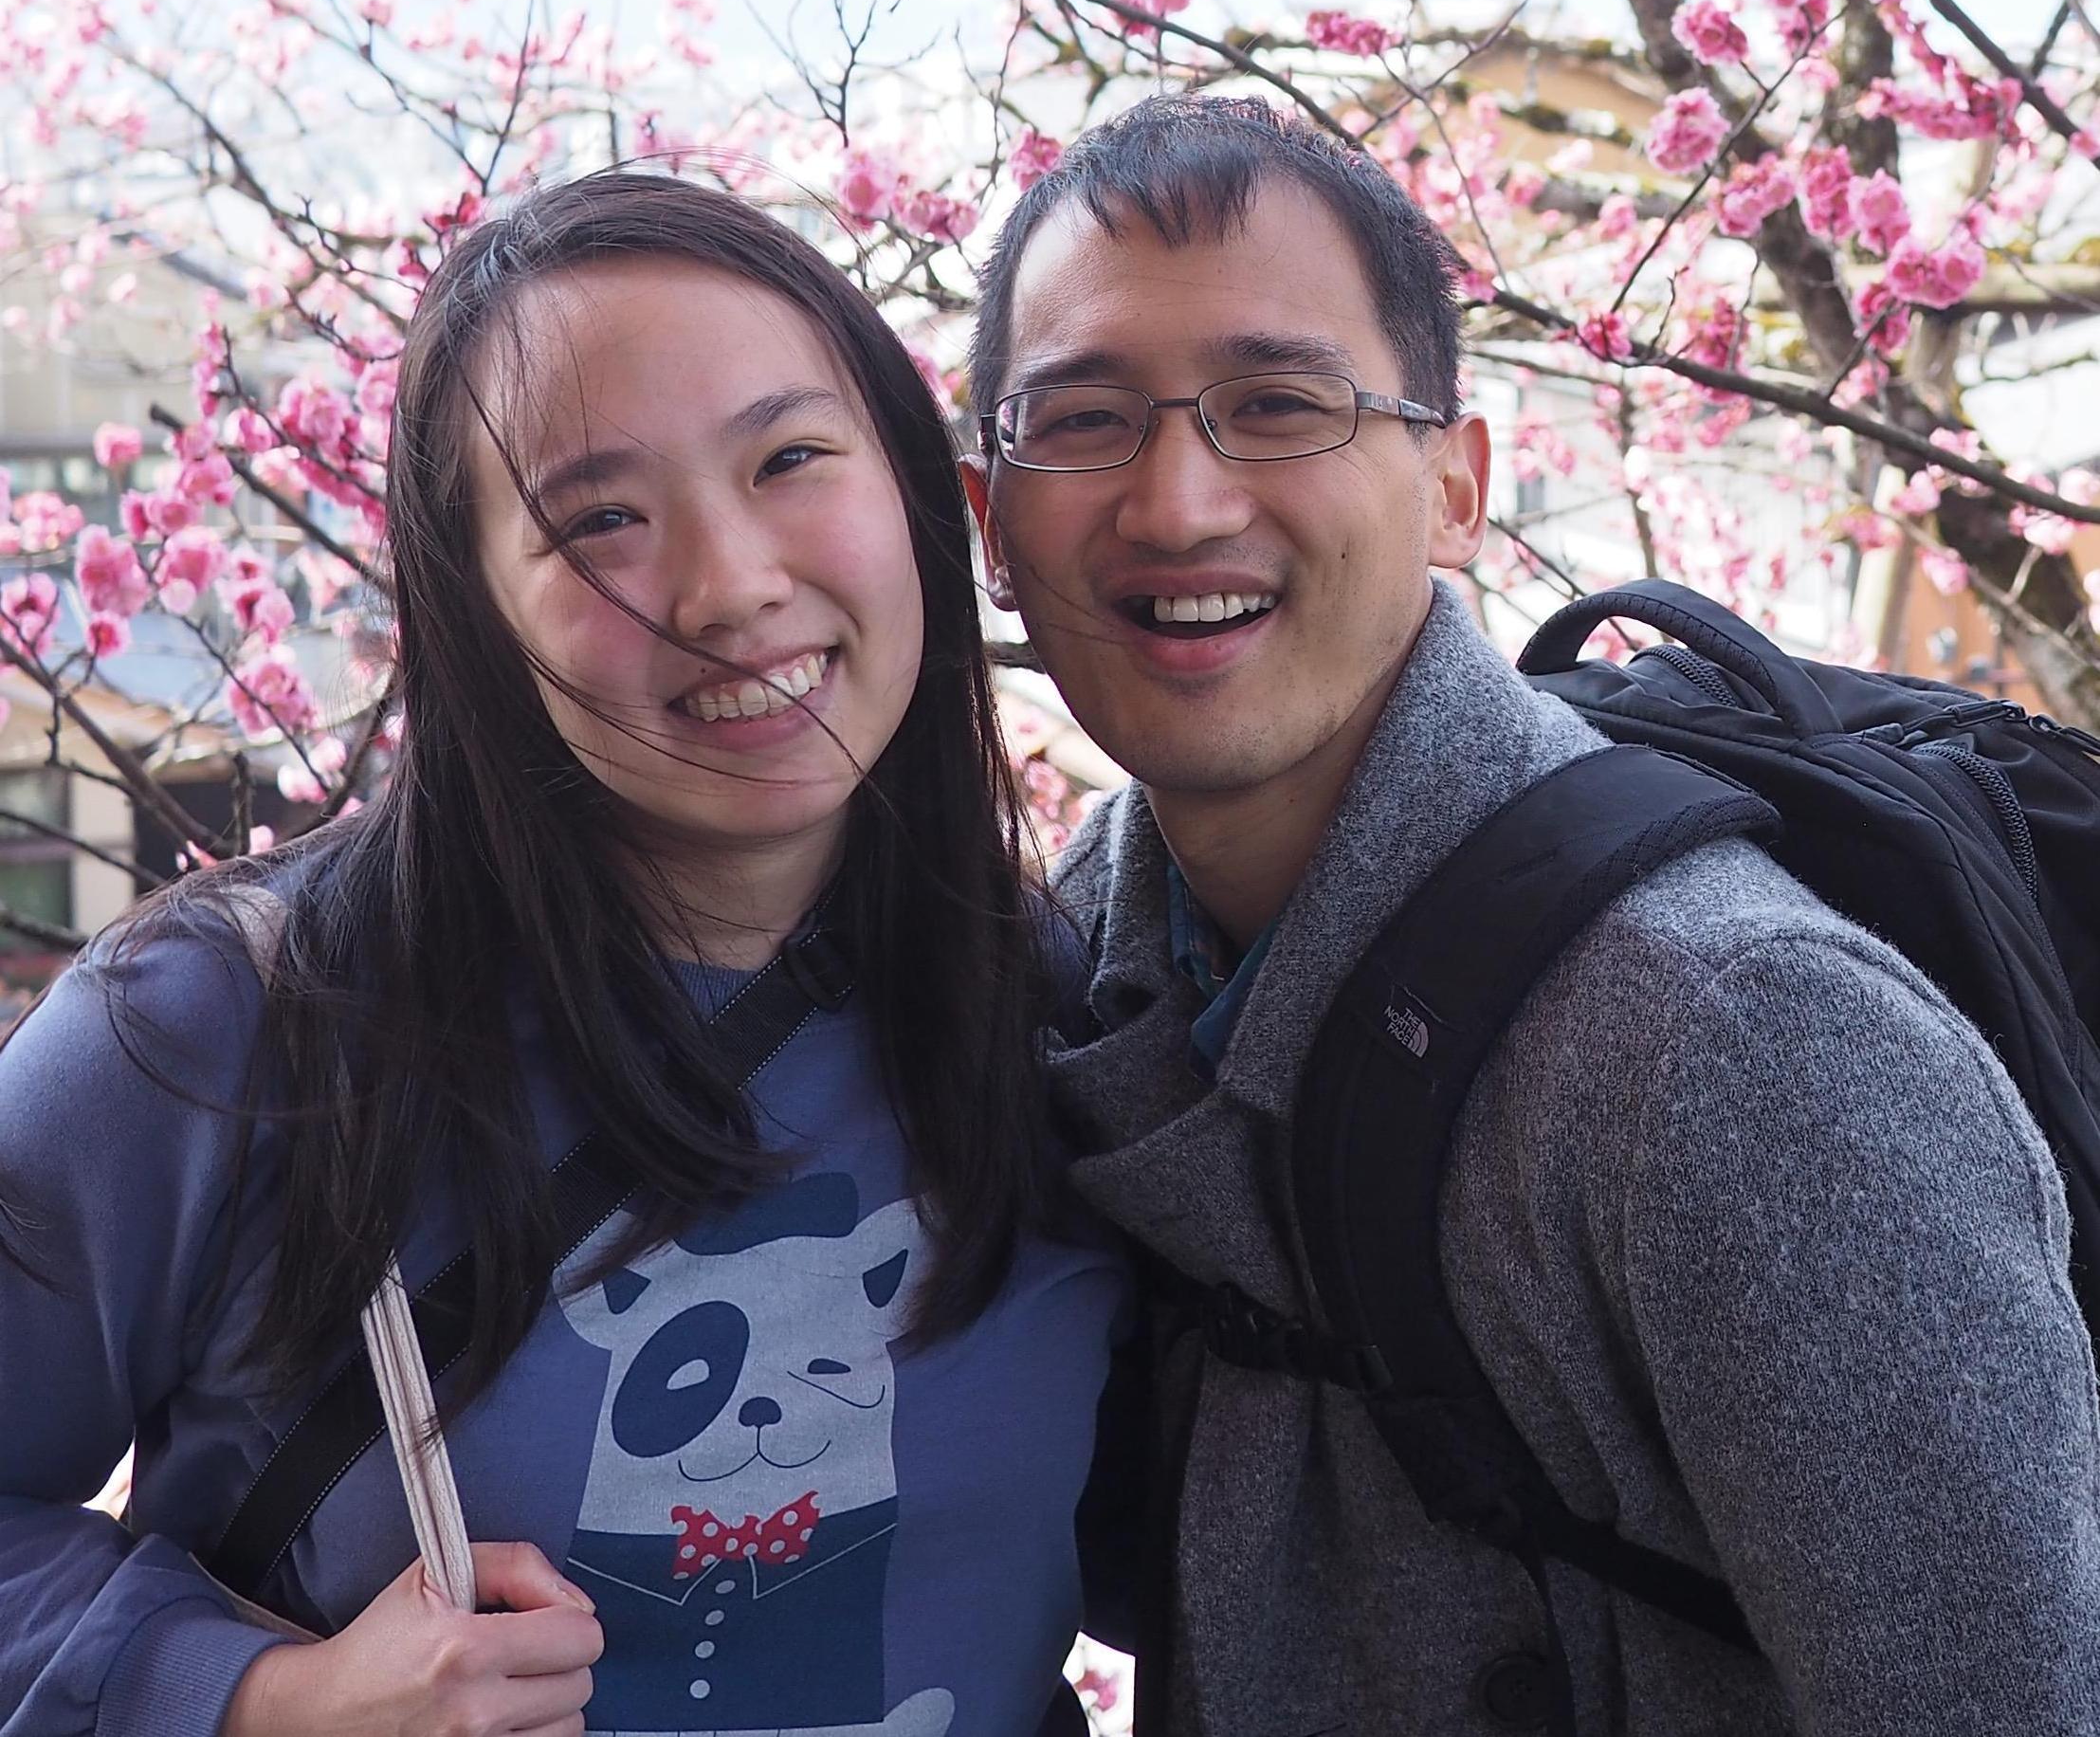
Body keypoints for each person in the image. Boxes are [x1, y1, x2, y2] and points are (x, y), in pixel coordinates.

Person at [962, 93, 2100, 1734]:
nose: (1180, 503)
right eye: (1083, 420)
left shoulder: (1740, 1046)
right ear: (992, 527)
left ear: (1455, 487)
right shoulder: (1089, 953)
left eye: (1279, 405)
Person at [0, 170, 1126, 1737]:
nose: (733, 585)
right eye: (601, 519)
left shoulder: (1064, 1008)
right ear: (474, 610)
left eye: (791, 458)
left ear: (926, 502)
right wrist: (263, 1700)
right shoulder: (224, 1026)